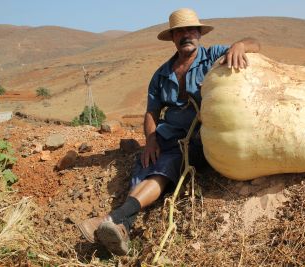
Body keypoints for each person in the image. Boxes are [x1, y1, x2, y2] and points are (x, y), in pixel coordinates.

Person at [78, 8, 260, 255]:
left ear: (199, 33)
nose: (187, 35)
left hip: (197, 139)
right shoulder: (161, 75)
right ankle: (123, 226)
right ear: (173, 37)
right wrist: (151, 140)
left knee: (166, 168)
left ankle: (110, 219)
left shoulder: (215, 56)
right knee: (143, 169)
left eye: (191, 30)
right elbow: (151, 113)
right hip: (167, 136)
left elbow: (255, 44)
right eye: (180, 32)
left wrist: (239, 45)